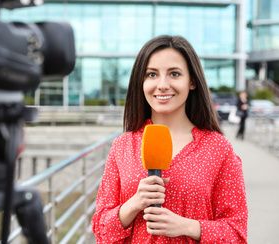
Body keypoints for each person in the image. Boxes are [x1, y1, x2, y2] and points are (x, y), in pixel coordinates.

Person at [91, 35, 248, 243]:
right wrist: (134, 204)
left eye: (174, 74)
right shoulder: (123, 146)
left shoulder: (219, 149)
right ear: (141, 81)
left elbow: (237, 233)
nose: (163, 85)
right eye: (152, 74)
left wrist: (187, 226)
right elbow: (101, 231)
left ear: (191, 81)